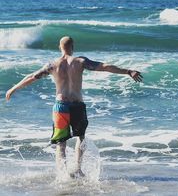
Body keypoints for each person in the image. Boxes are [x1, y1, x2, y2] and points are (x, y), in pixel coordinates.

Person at [5, 36, 143, 177]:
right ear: (73, 47)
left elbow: (32, 77)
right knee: (80, 137)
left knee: (61, 143)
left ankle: (63, 174)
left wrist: (13, 89)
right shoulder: (80, 61)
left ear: (60, 47)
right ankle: (77, 168)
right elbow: (104, 67)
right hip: (77, 105)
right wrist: (128, 71)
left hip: (61, 107)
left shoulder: (52, 65)